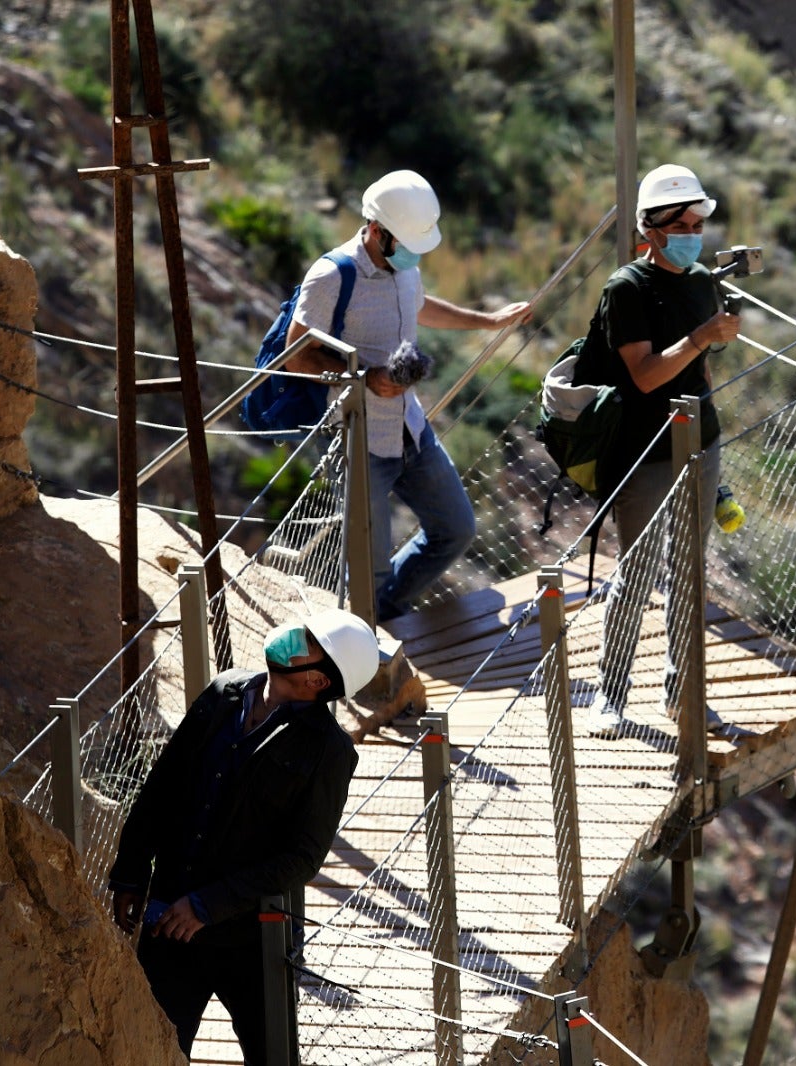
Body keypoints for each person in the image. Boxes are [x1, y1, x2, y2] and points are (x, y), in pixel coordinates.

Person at [108, 607, 379, 1062]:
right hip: (169, 924)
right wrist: (131, 872)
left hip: (254, 942)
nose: (291, 640)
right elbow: (162, 786)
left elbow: (302, 858)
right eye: (302, 632)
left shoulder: (329, 752)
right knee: (146, 1054)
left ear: (319, 681)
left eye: (307, 645)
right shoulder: (223, 692)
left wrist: (206, 905)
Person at [285, 170, 532, 622]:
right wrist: (364, 376)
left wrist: (489, 321)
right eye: (410, 246)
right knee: (367, 568)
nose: (416, 257)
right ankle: (369, 643)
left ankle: (386, 615)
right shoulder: (330, 276)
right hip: (357, 437)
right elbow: (295, 355)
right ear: (377, 232)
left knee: (455, 529)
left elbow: (421, 304)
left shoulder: (402, 265)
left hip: (410, 430)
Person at [578, 163, 742, 739]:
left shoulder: (701, 279)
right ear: (652, 228)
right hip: (643, 447)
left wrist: (711, 335)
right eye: (686, 222)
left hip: (700, 436)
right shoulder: (626, 288)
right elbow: (646, 376)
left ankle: (683, 695)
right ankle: (610, 693)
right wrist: (701, 337)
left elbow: (694, 365)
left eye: (700, 221)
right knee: (640, 568)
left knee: (688, 568)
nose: (697, 232)